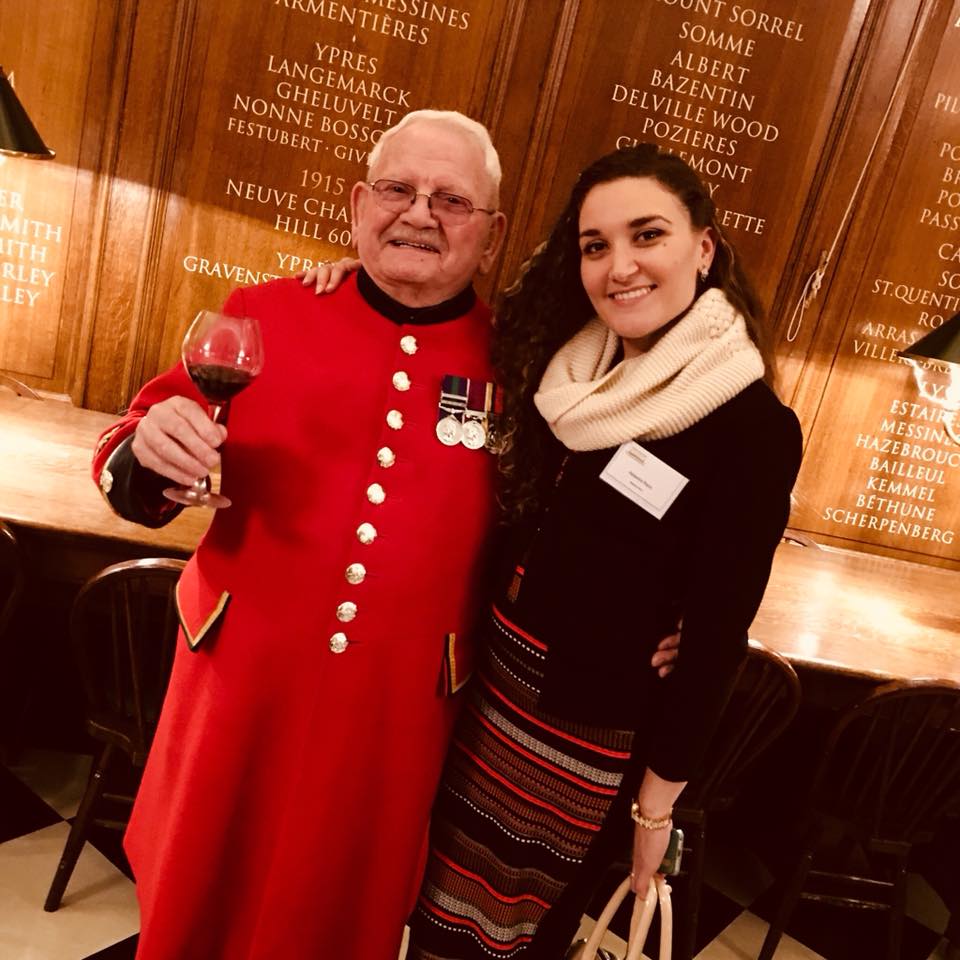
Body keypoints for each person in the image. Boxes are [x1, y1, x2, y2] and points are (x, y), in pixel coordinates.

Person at [308, 141, 802, 957]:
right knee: (423, 912)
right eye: (597, 245)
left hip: (579, 739)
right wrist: (355, 274)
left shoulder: (750, 427)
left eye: (649, 236)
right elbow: (428, 320)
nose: (622, 266)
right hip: (480, 698)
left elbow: (716, 638)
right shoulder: (565, 370)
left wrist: (656, 810)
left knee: (514, 938)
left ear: (704, 249)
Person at [92, 109, 511, 960]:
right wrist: (147, 450)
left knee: (337, 914)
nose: (420, 213)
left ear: (492, 236)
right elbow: (128, 449)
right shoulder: (264, 315)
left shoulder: (525, 366)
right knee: (195, 903)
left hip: (393, 720)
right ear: (359, 204)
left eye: (452, 200)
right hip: (236, 692)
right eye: (398, 189)